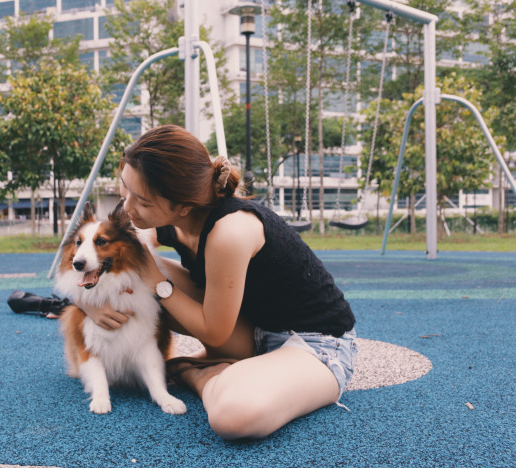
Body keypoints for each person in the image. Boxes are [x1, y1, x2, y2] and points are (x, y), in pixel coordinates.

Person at [81, 124, 357, 440]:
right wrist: (87, 305)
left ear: (182, 206)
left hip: (316, 343)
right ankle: (229, 366)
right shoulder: (171, 219)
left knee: (232, 417)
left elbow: (214, 329)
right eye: (124, 188)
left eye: (142, 201)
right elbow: (97, 261)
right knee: (131, 264)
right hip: (251, 333)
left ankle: (199, 374)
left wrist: (158, 283)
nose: (127, 207)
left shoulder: (230, 232)